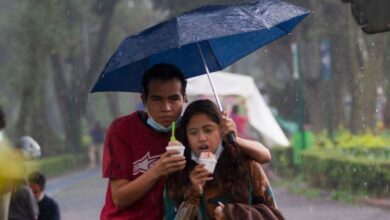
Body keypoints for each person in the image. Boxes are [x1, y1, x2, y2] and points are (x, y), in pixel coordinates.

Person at [100, 63, 271, 219]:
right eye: (157, 99)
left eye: (174, 98)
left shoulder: (189, 129)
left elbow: (263, 156)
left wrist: (231, 135)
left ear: (185, 98)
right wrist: (158, 170)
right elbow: (120, 198)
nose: (166, 108)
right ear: (144, 99)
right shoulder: (122, 130)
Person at [165, 99, 284, 220]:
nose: (201, 138)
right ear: (186, 136)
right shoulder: (178, 173)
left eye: (208, 130)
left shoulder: (244, 164)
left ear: (221, 130)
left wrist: (233, 213)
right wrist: (193, 194)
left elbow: (272, 213)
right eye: (193, 132)